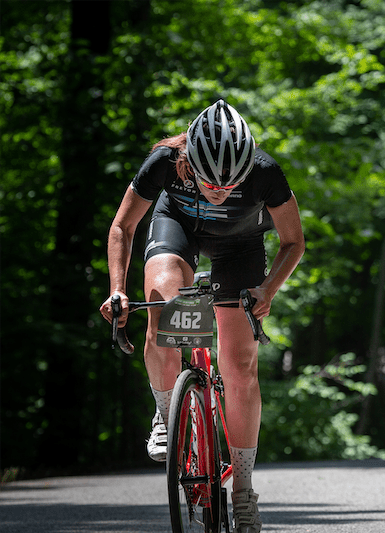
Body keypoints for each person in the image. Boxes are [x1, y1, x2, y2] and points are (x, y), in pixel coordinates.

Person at [99, 100, 305, 533]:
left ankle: (244, 490)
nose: (220, 191)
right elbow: (123, 227)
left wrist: (267, 289)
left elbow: (294, 242)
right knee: (164, 311)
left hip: (240, 247)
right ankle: (165, 411)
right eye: (211, 182)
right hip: (178, 229)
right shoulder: (165, 162)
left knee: (239, 363)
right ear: (188, 163)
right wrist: (117, 288)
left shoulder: (266, 172)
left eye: (230, 185)